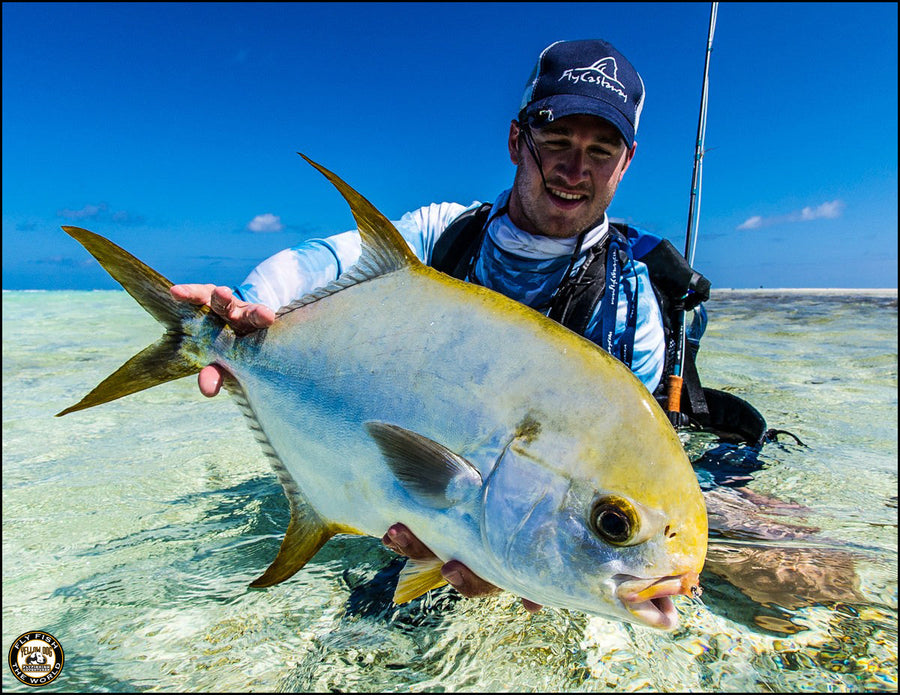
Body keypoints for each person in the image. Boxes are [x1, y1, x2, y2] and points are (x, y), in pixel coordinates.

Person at [171, 39, 709, 612]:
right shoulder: (443, 234)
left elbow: (610, 466)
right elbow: (324, 262)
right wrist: (249, 307)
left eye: (600, 151)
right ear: (516, 140)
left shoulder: (633, 309)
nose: (574, 169)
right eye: (555, 141)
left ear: (625, 164)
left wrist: (515, 569)